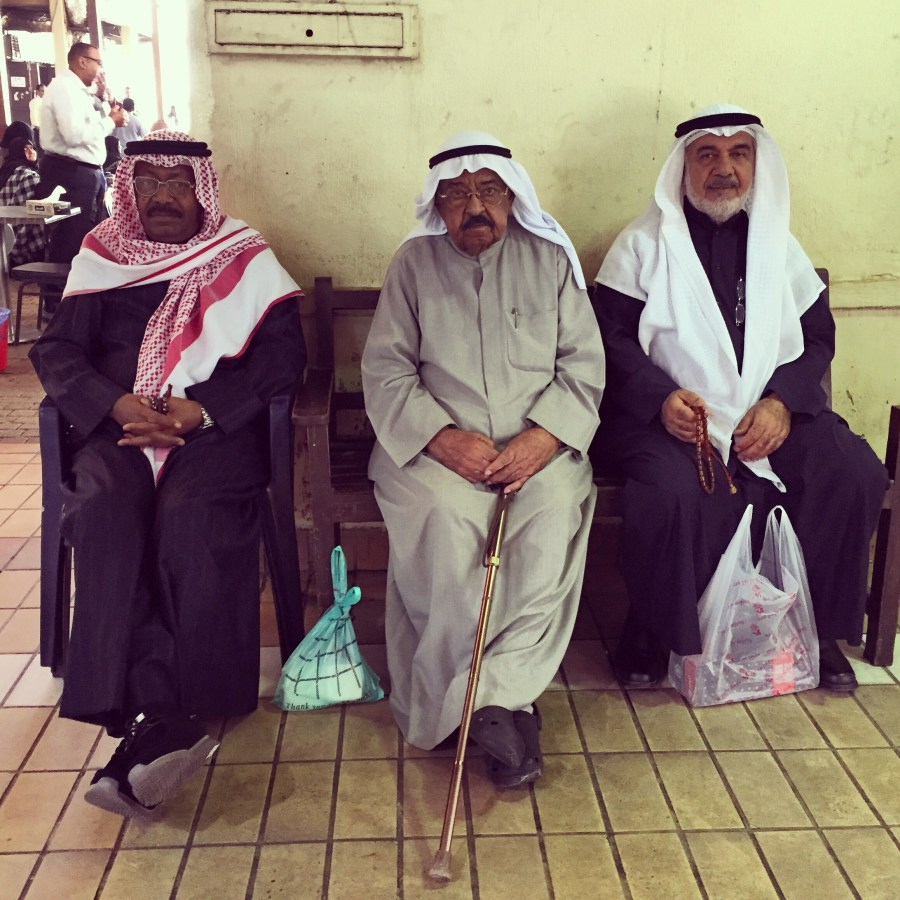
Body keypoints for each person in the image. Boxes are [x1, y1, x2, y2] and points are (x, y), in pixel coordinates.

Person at [29, 130, 306, 817]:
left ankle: (158, 716)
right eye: (147, 184)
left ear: (201, 191)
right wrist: (114, 403)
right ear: (127, 190)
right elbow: (60, 354)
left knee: (190, 516)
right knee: (106, 512)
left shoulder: (242, 255)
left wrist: (201, 413)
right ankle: (162, 715)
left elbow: (281, 361)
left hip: (209, 435)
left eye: (176, 184)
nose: (161, 197)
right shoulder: (102, 256)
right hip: (118, 429)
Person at [593, 103, 888, 692]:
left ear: (755, 163)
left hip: (769, 413)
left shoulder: (780, 245)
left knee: (852, 472)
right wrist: (661, 399)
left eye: (738, 153)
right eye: (707, 154)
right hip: (674, 418)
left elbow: (817, 339)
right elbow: (609, 340)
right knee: (670, 489)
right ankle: (654, 628)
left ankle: (816, 629)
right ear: (684, 167)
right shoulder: (644, 245)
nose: (723, 168)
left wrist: (782, 402)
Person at [362, 131, 605, 788]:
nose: (476, 207)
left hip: (538, 450)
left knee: (550, 519)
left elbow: (583, 366)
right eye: (458, 194)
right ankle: (478, 709)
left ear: (511, 195)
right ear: (437, 205)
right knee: (446, 524)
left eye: (489, 191)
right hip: (436, 456)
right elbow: (385, 372)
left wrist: (544, 439)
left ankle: (498, 704)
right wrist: (445, 440)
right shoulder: (412, 268)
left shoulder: (548, 263)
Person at [38, 43, 126, 274]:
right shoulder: (65, 88)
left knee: (85, 240)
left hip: (82, 173)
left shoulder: (78, 91)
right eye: (99, 62)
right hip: (70, 174)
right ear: (82, 61)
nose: (100, 69)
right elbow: (74, 135)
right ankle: (58, 303)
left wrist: (103, 99)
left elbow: (90, 125)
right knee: (70, 241)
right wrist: (111, 122)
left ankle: (75, 300)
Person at [0, 135, 47, 267]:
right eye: (25, 149)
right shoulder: (28, 175)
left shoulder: (7, 168)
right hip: (19, 232)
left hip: (4, 234)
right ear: (18, 152)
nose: (30, 151)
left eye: (31, 147)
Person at [29, 84, 45, 155]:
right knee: (40, 150)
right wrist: (38, 127)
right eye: (42, 91)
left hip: (45, 129)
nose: (44, 93)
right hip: (38, 129)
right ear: (37, 92)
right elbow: (34, 116)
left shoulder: (45, 101)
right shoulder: (34, 102)